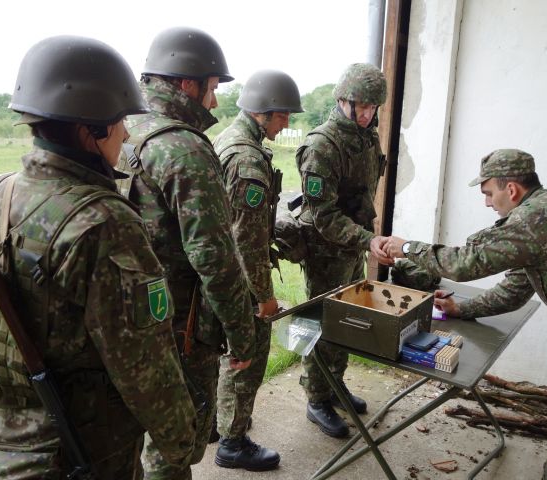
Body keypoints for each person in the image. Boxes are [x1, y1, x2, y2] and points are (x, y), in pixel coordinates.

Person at [0, 35, 196, 479]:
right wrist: (182, 442)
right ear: (93, 128)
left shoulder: (2, 192)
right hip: (82, 452)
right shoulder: (106, 223)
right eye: (120, 120)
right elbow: (145, 366)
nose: (126, 132)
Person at [382, 149, 547, 480]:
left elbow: (464, 263)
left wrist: (406, 248)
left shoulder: (533, 218)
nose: (488, 203)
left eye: (489, 193)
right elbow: (515, 290)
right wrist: (462, 308)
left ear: (511, 189)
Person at [118, 27, 256, 479]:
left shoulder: (117, 128)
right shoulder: (185, 148)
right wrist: (242, 334)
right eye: (212, 89)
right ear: (186, 84)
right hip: (179, 327)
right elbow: (214, 257)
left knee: (125, 437)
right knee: (175, 445)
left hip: (116, 318)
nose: (213, 103)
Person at [212, 69, 303, 470]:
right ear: (261, 112)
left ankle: (219, 422)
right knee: (245, 357)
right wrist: (265, 298)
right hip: (240, 279)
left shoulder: (227, 140)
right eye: (282, 115)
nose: (287, 122)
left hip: (221, 273)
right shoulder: (247, 158)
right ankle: (232, 442)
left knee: (225, 355)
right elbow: (247, 240)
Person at [296, 63, 390, 438]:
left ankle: (335, 384)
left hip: (352, 246)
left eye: (372, 107)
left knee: (348, 317)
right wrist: (367, 240)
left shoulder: (367, 139)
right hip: (326, 251)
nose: (367, 114)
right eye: (361, 106)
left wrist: (365, 239)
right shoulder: (322, 146)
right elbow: (323, 216)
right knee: (321, 323)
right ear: (342, 101)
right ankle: (316, 397)